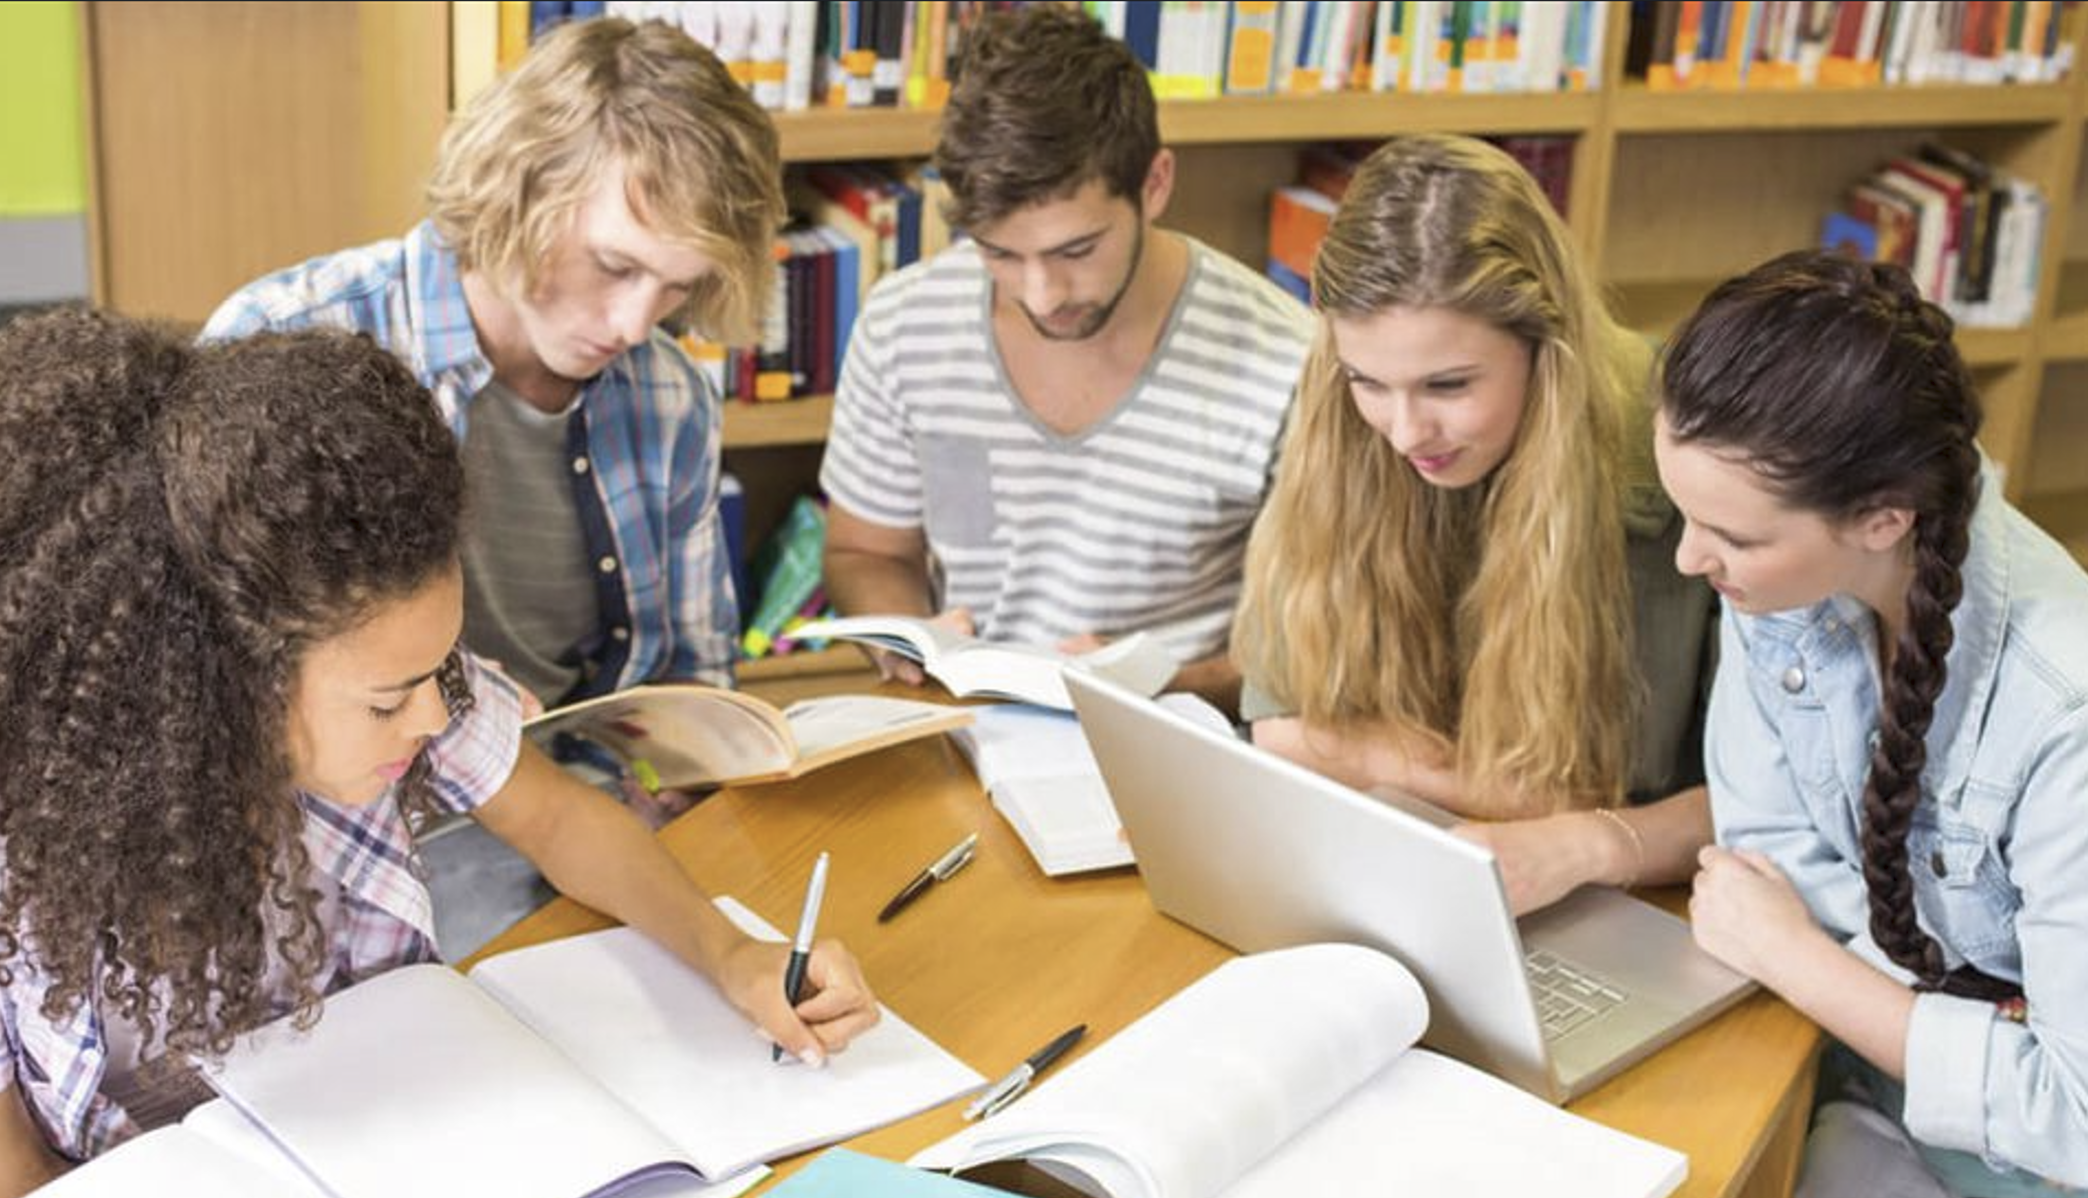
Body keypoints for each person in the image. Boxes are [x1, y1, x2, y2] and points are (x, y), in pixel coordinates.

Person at [0, 311, 877, 1192]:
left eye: (438, 673)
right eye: (389, 700)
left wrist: (731, 956)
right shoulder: (39, 803)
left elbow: (560, 818)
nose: (431, 716)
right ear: (226, 683)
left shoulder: (405, 676)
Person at [1659, 251, 2088, 1196]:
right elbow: (1766, 857)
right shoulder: (1781, 579)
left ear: (1882, 522)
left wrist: (1796, 957)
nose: (1692, 558)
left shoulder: (2071, 713)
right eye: (1685, 514)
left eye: (1733, 536)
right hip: (1867, 1082)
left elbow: (2077, 1116)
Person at [206, 16, 780, 708]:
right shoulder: (282, 344)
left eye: (677, 287)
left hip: (590, 777)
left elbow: (695, 666)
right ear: (522, 191)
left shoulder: (670, 395)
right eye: (614, 265)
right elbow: (212, 678)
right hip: (361, 804)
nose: (635, 326)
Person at [1232, 134, 1720, 914]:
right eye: (1368, 381)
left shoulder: (1695, 462)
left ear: (1543, 346)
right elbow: (1278, 731)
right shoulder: (1343, 429)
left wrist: (1369, 753)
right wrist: (1527, 795)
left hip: (1635, 908)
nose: (1403, 432)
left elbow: (1767, 809)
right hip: (1408, 881)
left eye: (1448, 384)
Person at [818, 4, 1315, 714]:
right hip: (965, 731)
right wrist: (908, 638)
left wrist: (1157, 689)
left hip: (1180, 743)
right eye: (1000, 254)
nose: (1041, 294)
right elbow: (866, 554)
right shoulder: (905, 323)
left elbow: (1318, 648)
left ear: (1155, 184)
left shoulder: (1286, 361)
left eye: (1075, 251)